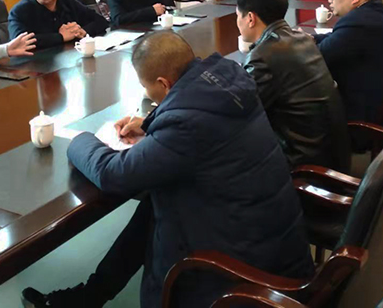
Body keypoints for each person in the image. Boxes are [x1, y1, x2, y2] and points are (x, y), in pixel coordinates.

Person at [23, 31, 313, 308]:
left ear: (163, 83)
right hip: (276, 241)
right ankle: (90, 296)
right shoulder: (228, 81)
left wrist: (80, 139)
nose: (147, 92)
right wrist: (152, 125)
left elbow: (114, 174)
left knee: (156, 201)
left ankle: (90, 297)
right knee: (154, 203)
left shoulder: (186, 126)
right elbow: (198, 126)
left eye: (147, 87)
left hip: (245, 269)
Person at [237, 0, 351, 172]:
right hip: (333, 155)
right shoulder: (303, 39)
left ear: (250, 18)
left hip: (304, 165)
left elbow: (244, 111)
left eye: (237, 16)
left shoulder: (263, 56)